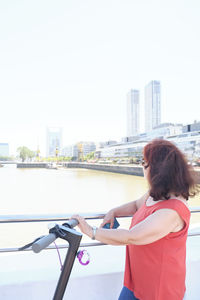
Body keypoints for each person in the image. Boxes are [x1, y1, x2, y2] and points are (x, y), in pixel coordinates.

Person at [72, 139, 199, 300]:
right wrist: (114, 212)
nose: (142, 167)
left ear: (158, 169)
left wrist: (92, 231)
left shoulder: (172, 210)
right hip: (136, 282)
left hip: (159, 291)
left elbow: (132, 236)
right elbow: (136, 205)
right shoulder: (155, 194)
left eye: (144, 163)